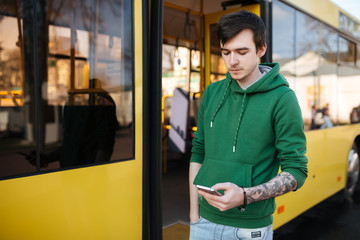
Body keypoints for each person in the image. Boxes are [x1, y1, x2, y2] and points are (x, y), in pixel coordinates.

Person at [189, 10, 308, 240]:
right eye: (226, 52)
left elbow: (297, 171)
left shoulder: (283, 99)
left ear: (261, 49)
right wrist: (194, 214)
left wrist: (244, 196)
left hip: (249, 229)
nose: (232, 61)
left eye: (242, 52)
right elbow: (198, 153)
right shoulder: (212, 93)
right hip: (202, 222)